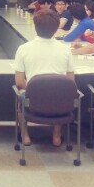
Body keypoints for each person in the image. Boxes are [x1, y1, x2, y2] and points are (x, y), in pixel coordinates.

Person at [14, 10, 74, 147]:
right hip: (60, 101)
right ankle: (56, 136)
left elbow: (19, 83)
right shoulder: (65, 50)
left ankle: (25, 136)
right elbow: (70, 81)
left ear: (35, 27)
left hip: (33, 100)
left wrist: (34, 88)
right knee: (61, 93)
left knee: (20, 100)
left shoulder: (23, 49)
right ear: (56, 28)